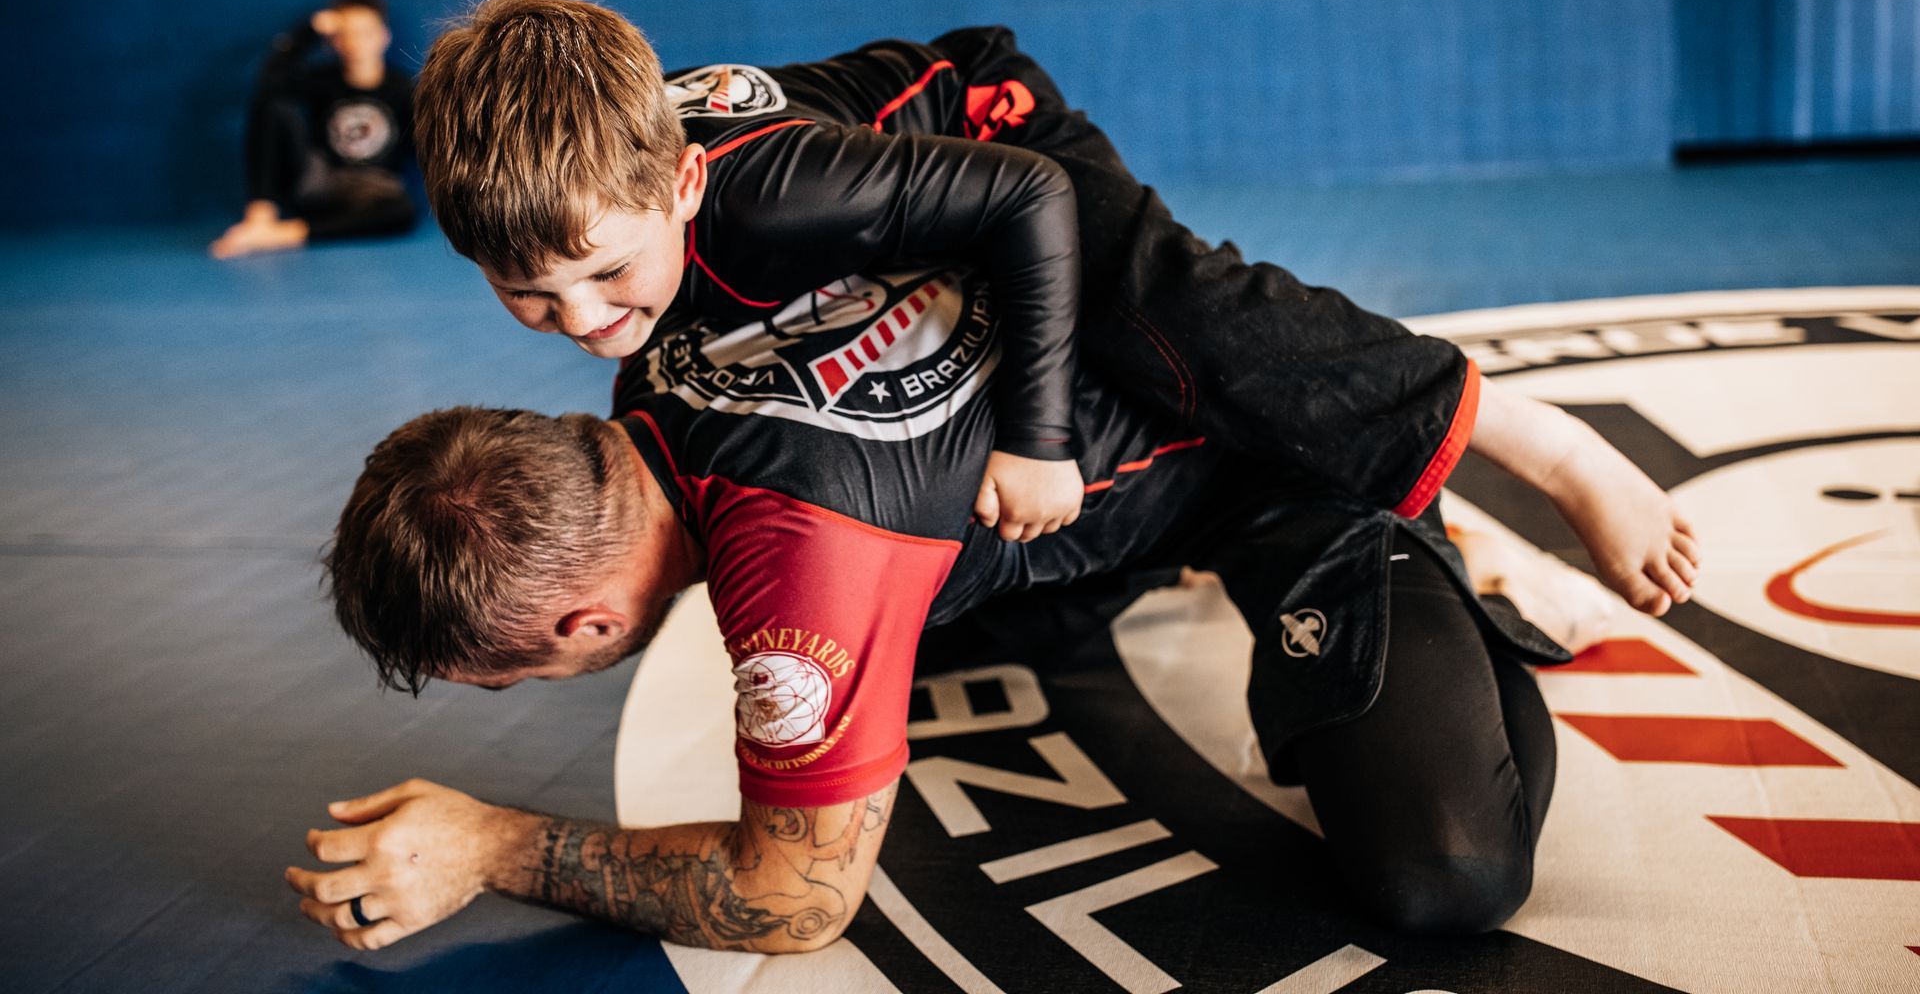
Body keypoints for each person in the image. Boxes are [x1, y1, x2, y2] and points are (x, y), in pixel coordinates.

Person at [288, 265, 1683, 954]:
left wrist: (492, 843)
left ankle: (1427, 531)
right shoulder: (659, 340)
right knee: (932, 635)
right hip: (1078, 489)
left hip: (1276, 466)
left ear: (587, 627)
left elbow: (793, 897)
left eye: (508, 677)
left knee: (1447, 876)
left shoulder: (800, 574)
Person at [407, 0, 1698, 618]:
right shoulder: (616, 204)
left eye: (605, 275)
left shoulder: (779, 194)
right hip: (900, 207)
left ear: (685, 185)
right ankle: (1148, 549)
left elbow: (1026, 201)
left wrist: (1034, 441)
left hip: (993, 134)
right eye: (526, 293)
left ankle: (1545, 446)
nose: (580, 318)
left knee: (1168, 316)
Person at [209, 0, 419, 259]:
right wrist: (309, 31)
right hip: (319, 183)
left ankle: (279, 235)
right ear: (334, 42)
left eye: (365, 33)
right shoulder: (322, 81)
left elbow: (423, 146)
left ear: (383, 36)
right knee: (272, 104)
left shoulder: (403, 89)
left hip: (372, 192)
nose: (356, 43)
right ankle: (260, 218)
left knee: (401, 212)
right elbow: (269, 83)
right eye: (347, 34)